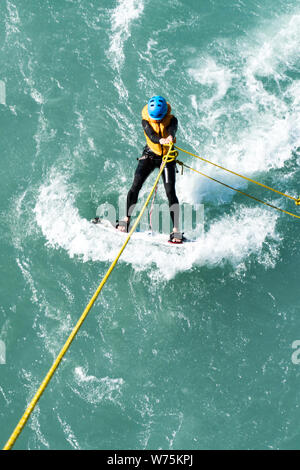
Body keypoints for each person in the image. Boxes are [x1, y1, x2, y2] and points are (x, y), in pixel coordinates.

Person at [94, 96, 184, 244]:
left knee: (170, 192)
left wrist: (169, 136)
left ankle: (176, 230)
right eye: (154, 119)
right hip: (149, 156)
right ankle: (126, 220)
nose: (155, 121)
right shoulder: (145, 121)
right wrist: (161, 140)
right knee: (135, 186)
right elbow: (151, 135)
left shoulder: (172, 120)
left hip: (167, 158)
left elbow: (172, 130)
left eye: (158, 119)